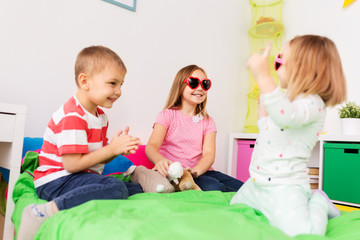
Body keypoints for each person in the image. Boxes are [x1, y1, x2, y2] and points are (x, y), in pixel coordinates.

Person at [17, 46, 142, 240]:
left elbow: (96, 156)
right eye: (112, 83)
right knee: (116, 188)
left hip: (76, 177)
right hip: (56, 181)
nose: (118, 91)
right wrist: (111, 149)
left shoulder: (100, 117)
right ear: (84, 81)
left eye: (121, 85)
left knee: (134, 189)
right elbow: (72, 164)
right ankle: (42, 213)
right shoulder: (73, 115)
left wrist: (116, 148)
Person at [230, 35, 347, 236]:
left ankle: (318, 200)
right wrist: (264, 101)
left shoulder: (313, 104)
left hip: (284, 186)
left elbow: (286, 117)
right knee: (233, 210)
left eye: (279, 62)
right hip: (257, 184)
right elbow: (266, 127)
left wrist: (264, 77)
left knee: (307, 233)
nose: (275, 67)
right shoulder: (285, 100)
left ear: (303, 69)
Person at [145, 64, 244, 192]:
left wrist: (195, 171)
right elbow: (151, 146)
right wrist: (161, 161)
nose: (200, 88)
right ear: (180, 86)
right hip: (176, 175)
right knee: (214, 187)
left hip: (199, 171)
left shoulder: (208, 121)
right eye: (194, 83)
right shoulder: (167, 115)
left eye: (205, 84)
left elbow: (209, 155)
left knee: (244, 188)